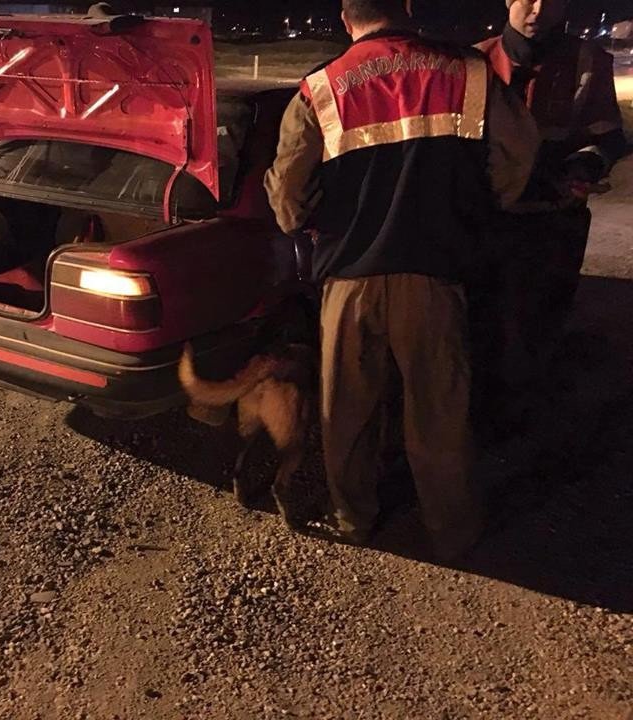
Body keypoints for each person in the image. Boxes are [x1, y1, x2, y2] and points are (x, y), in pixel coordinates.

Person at [264, 0, 538, 558]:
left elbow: (289, 203)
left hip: (349, 280)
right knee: (440, 411)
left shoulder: (320, 89)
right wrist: (477, 206)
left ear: (347, 17)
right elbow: (517, 158)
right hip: (436, 275)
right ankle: (454, 530)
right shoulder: (470, 73)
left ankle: (353, 518)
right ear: (407, 9)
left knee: (347, 413)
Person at [474, 0, 626, 421]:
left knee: (543, 318)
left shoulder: (588, 61)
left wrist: (586, 163)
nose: (537, 8)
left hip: (554, 216)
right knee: (483, 317)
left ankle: (531, 406)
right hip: (493, 215)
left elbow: (611, 135)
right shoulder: (475, 61)